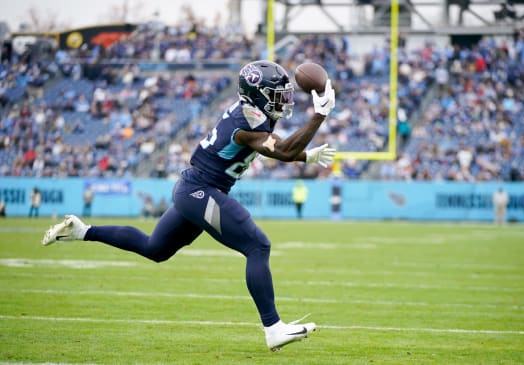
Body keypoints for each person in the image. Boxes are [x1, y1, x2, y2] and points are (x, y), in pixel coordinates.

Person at [41, 60, 336, 351]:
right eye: (277, 94)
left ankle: (83, 231)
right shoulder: (247, 119)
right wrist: (319, 116)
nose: (283, 101)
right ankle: (273, 328)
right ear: (258, 94)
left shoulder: (253, 113)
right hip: (201, 190)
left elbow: (276, 148)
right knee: (257, 246)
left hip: (194, 189)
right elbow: (281, 149)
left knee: (155, 249)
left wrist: (305, 156)